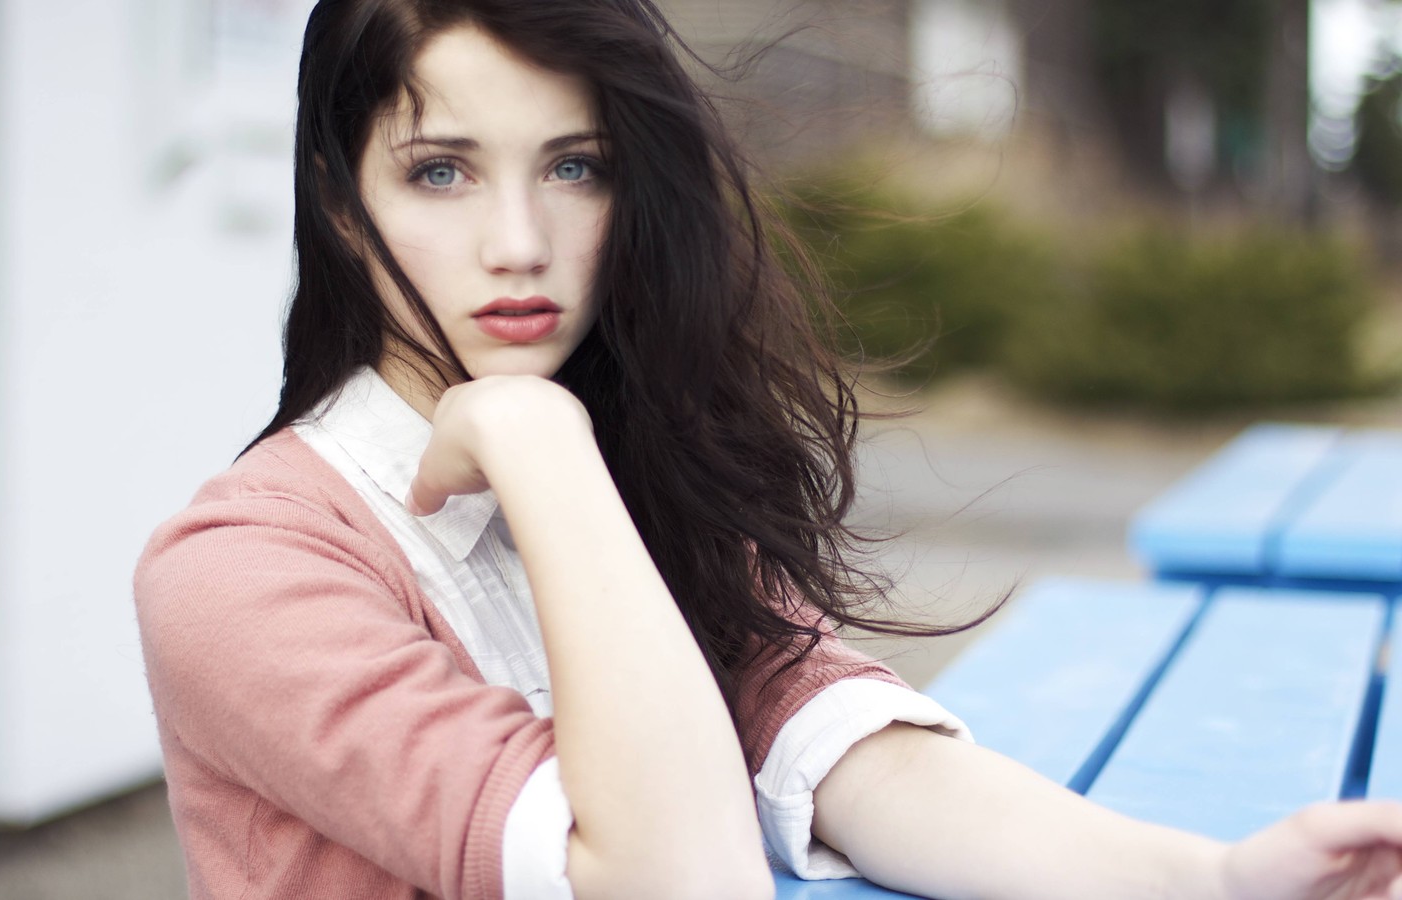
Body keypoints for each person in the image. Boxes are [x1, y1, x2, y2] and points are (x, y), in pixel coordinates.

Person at [133, 1, 1402, 898]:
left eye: (575, 166)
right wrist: (539, 443)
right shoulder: (244, 575)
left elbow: (853, 762)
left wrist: (1214, 879)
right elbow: (676, 881)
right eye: (441, 172)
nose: (519, 242)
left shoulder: (641, 475)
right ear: (340, 202)